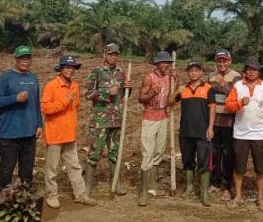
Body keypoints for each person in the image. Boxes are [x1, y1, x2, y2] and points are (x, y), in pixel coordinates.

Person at [41, 55, 97, 208]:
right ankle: (51, 195)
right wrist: (64, 101)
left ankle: (81, 195)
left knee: (74, 166)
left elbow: (75, 105)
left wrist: (68, 105)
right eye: (66, 67)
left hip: (70, 134)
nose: (70, 70)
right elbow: (45, 108)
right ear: (60, 68)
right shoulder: (51, 86)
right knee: (52, 168)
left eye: (72, 67)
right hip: (55, 134)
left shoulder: (75, 86)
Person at [225, 56, 263, 212]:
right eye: (249, 69)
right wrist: (240, 103)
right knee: (239, 168)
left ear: (259, 71)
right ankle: (238, 196)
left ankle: (260, 198)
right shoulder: (238, 86)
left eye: (254, 69)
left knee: (261, 169)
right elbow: (228, 106)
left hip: (259, 135)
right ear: (245, 71)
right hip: (241, 134)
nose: (251, 72)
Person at [0, 45, 43, 191]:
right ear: (15, 59)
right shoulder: (5, 78)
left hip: (29, 134)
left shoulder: (33, 78)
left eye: (28, 58)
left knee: (27, 172)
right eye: (22, 58)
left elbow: (36, 104)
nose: (26, 61)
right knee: (6, 171)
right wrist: (15, 98)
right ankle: (2, 201)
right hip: (9, 135)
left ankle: (24, 199)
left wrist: (39, 124)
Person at [83, 43, 132, 197]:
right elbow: (88, 94)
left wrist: (128, 88)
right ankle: (87, 187)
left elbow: (124, 95)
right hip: (100, 121)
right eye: (110, 54)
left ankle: (116, 183)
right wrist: (106, 92)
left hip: (116, 120)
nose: (113, 57)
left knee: (114, 153)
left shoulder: (121, 73)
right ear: (104, 54)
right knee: (94, 153)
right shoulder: (96, 72)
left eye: (116, 54)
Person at [170, 61, 216, 206]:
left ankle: (204, 192)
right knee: (188, 160)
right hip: (186, 131)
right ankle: (189, 187)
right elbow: (170, 102)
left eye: (196, 70)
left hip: (202, 131)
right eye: (191, 71)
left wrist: (211, 127)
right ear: (188, 73)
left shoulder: (208, 88)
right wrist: (176, 90)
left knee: (204, 162)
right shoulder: (183, 89)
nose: (194, 73)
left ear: (201, 72)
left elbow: (212, 109)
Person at [137, 50, 174, 206]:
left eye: (168, 63)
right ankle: (143, 192)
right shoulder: (149, 77)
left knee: (159, 151)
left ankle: (151, 188)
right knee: (148, 153)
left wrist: (176, 82)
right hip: (150, 118)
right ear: (157, 64)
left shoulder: (170, 78)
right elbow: (140, 98)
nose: (166, 65)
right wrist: (152, 92)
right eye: (163, 62)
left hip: (163, 117)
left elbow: (171, 98)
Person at [208, 48, 241, 201]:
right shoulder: (211, 76)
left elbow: (235, 95)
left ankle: (227, 186)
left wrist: (221, 85)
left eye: (224, 61)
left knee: (228, 155)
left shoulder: (236, 77)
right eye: (219, 61)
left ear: (230, 61)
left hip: (229, 122)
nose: (222, 64)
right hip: (214, 121)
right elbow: (208, 96)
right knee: (215, 153)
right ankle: (215, 182)